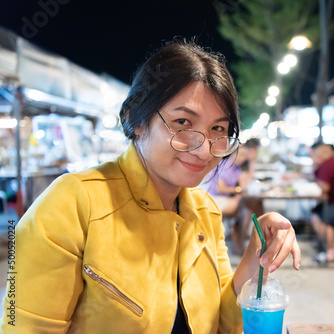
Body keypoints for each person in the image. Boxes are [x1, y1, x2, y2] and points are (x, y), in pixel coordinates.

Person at [0, 39, 301, 333]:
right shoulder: (72, 203)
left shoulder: (204, 210)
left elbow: (222, 323)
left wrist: (254, 250)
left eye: (218, 129)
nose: (204, 149)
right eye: (183, 122)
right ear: (137, 120)